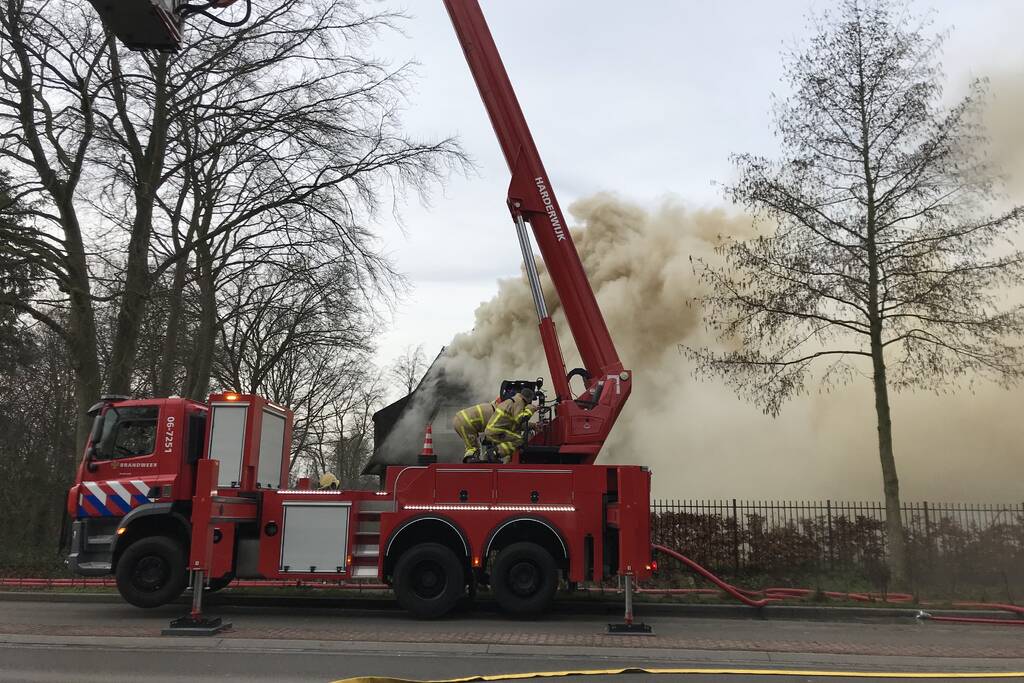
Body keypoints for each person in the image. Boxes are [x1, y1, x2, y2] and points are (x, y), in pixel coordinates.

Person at [453, 388, 535, 463]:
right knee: (473, 448)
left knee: (472, 447)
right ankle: (476, 459)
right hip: (466, 422)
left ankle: (478, 458)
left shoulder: (493, 408)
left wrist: (533, 425)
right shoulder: (499, 413)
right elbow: (514, 424)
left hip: (459, 419)